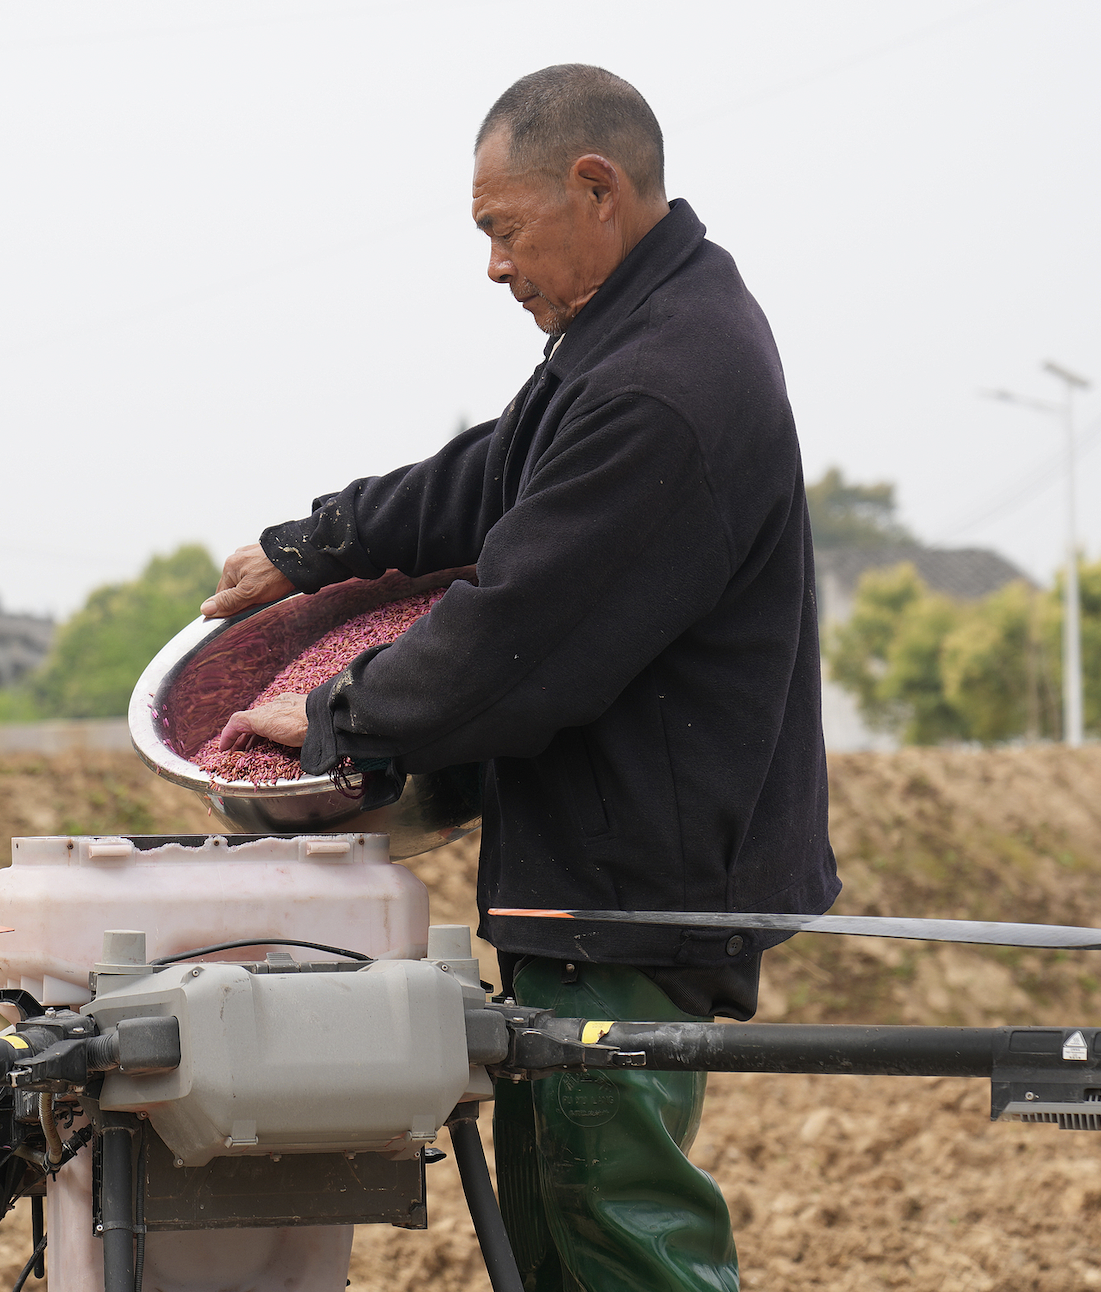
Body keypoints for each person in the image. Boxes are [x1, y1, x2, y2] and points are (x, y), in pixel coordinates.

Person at [202, 64, 840, 1292]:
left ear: (594, 187)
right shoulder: (632, 334)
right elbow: (497, 472)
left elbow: (519, 638)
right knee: (555, 1224)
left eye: (503, 228)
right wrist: (316, 543)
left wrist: (340, 714)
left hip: (636, 892)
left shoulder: (668, 382)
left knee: (618, 1224)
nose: (494, 265)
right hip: (597, 876)